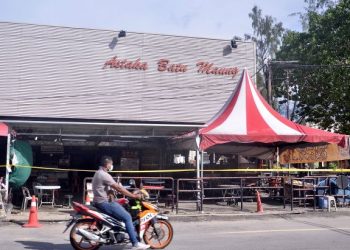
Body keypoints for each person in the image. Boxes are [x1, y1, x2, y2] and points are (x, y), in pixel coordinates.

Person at [92, 156, 150, 249]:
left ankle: (117, 233)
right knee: (127, 217)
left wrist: (110, 192)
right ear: (107, 164)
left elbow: (105, 187)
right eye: (111, 164)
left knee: (121, 209)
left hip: (100, 201)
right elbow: (119, 188)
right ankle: (135, 243)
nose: (112, 166)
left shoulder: (98, 173)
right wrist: (134, 195)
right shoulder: (104, 174)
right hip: (104, 202)